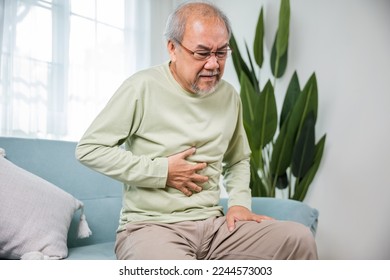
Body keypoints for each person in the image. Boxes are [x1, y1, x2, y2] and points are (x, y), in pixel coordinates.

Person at [75, 1, 318, 260]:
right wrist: (162, 171)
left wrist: (238, 204)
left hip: (216, 228)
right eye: (202, 53)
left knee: (298, 239)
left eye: (221, 52)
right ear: (172, 48)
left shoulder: (229, 96)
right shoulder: (141, 87)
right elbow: (90, 149)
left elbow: (238, 159)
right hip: (151, 227)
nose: (214, 64)